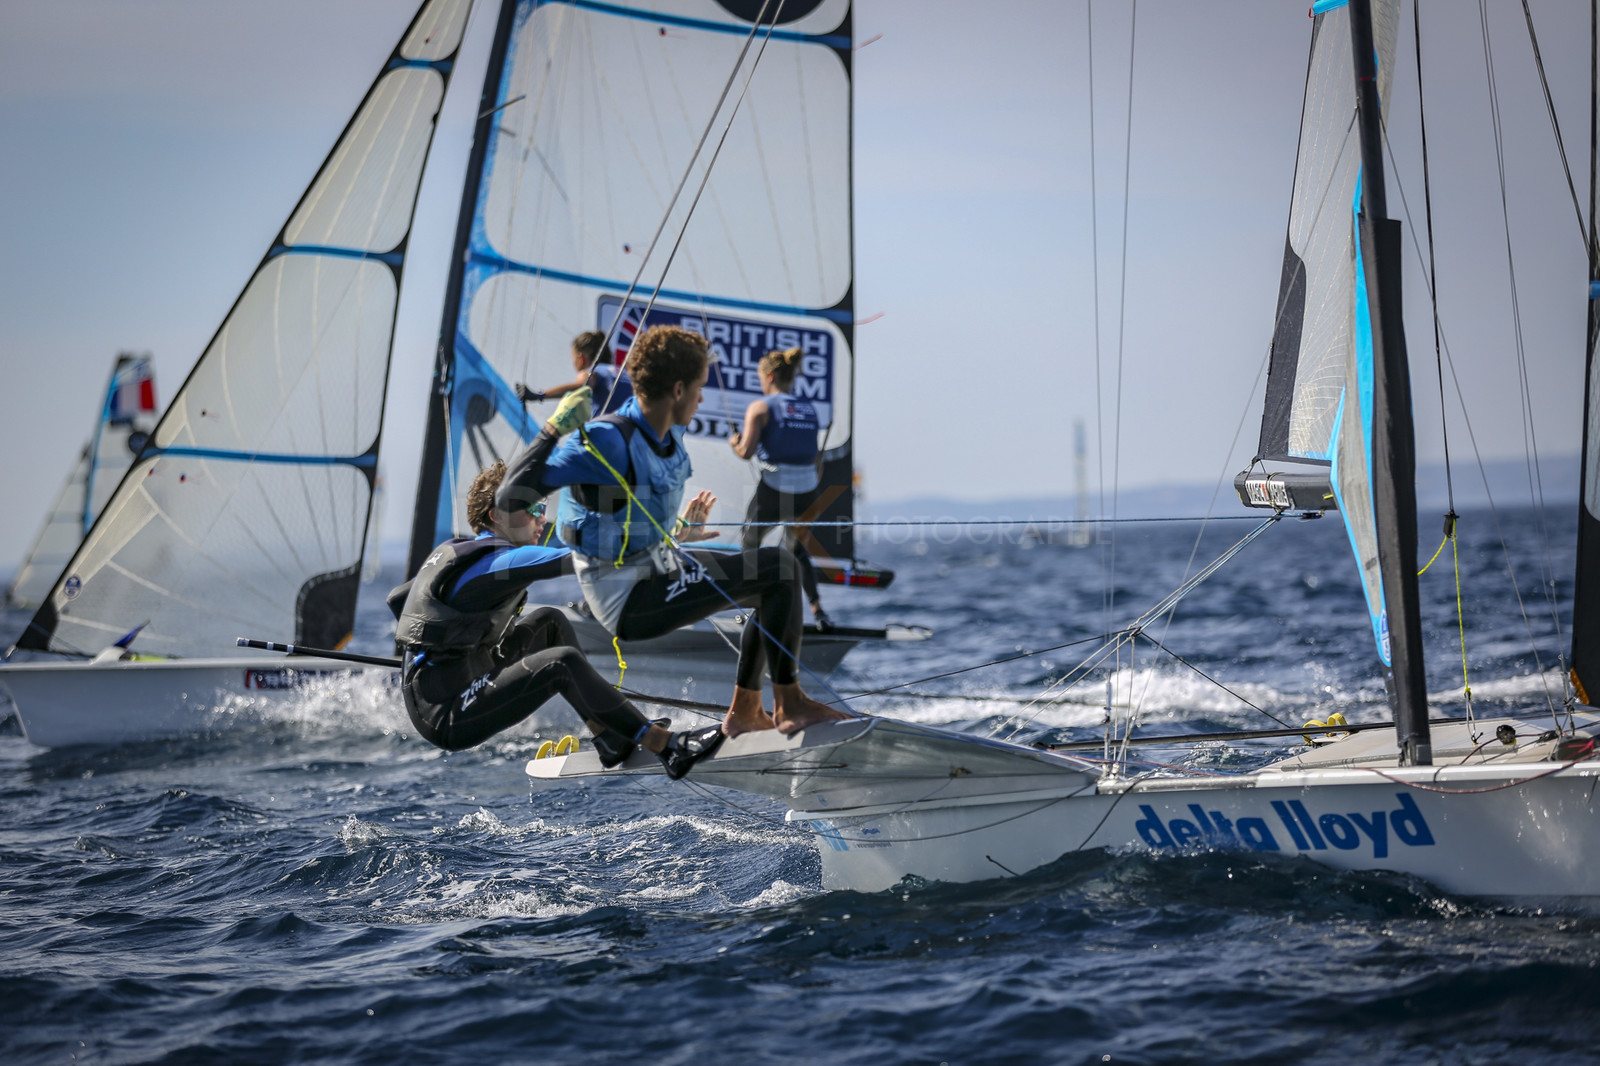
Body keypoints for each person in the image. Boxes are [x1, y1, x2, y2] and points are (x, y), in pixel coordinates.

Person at [495, 324, 852, 738]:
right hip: (626, 598)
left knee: (778, 576)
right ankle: (788, 705)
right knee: (779, 568)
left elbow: (630, 514)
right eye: (700, 388)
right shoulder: (606, 440)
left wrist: (679, 530)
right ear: (679, 390)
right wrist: (553, 429)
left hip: (659, 569)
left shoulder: (667, 432)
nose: (703, 399)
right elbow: (508, 498)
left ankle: (748, 710)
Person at [386, 461, 723, 777]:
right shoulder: (496, 565)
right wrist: (672, 534)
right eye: (533, 509)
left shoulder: (466, 555)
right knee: (561, 663)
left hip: (459, 681)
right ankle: (667, 748)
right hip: (447, 713)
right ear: (497, 516)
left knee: (550, 622)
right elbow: (582, 558)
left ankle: (609, 736)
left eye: (543, 508)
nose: (542, 519)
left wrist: (428, 654)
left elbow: (399, 599)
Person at [726, 346, 832, 630]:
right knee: (796, 551)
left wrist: (734, 444)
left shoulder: (760, 407)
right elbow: (816, 460)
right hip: (809, 490)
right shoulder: (808, 408)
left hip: (774, 490)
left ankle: (749, 608)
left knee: (750, 544)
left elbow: (747, 451)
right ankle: (818, 610)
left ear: (769, 376)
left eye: (761, 378)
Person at [516, 330, 634, 415]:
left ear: (581, 358)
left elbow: (584, 385)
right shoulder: (622, 372)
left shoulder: (591, 372)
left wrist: (538, 395)